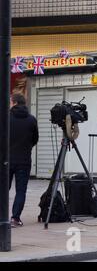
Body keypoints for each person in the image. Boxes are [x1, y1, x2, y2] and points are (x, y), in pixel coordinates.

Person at [9, 93, 39, 227]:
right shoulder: (31, 119)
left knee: (4, 189)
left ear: (14, 102)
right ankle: (15, 218)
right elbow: (35, 139)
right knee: (21, 190)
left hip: (6, 160)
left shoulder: (6, 118)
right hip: (24, 160)